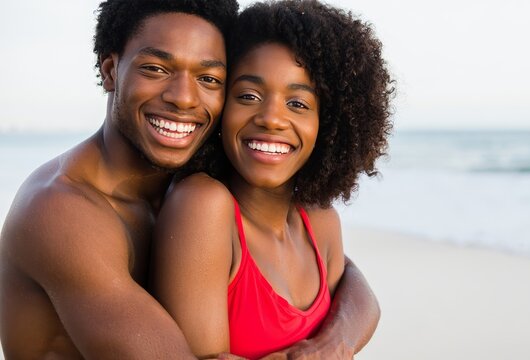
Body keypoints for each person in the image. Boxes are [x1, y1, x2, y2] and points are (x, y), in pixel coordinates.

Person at [0, 1, 380, 358]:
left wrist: (335, 342)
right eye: (156, 69)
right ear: (111, 70)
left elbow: (348, 274)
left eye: (209, 78)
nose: (184, 98)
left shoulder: (182, 187)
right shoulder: (60, 211)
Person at [151, 0, 394, 358]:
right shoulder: (201, 205)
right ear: (221, 105)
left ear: (328, 125)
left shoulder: (321, 220)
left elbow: (355, 291)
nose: (271, 119)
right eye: (248, 95)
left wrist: (335, 342)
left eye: (298, 104)